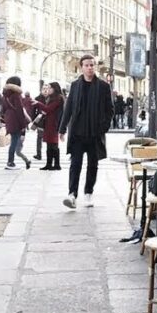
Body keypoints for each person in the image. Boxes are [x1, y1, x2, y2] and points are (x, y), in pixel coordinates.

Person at [60, 54, 114, 209]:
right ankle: (72, 195)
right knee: (75, 164)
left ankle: (88, 192)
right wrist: (62, 128)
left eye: (92, 65)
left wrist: (103, 127)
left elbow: (110, 110)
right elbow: (68, 107)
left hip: (94, 134)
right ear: (81, 67)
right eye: (87, 65)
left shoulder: (103, 86)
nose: (90, 68)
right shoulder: (75, 85)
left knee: (92, 165)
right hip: (77, 132)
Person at [0, 76, 32, 170]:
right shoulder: (16, 95)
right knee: (14, 142)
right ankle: (10, 162)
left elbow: (3, 109)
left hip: (9, 119)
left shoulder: (5, 95)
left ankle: (11, 161)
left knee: (13, 141)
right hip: (15, 120)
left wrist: (3, 120)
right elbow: (19, 111)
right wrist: (23, 125)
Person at [32, 82, 64, 171]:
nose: (48, 89)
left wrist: (38, 103)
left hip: (54, 124)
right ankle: (49, 164)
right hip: (49, 123)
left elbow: (48, 109)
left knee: (53, 144)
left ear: (55, 89)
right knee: (49, 144)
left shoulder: (58, 98)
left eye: (50, 88)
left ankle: (57, 164)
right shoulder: (51, 98)